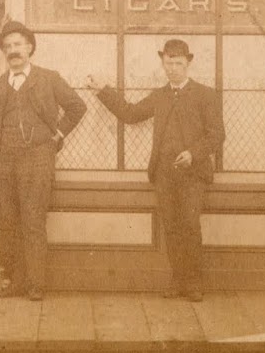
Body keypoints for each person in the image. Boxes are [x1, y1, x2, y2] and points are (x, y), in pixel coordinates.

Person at [87, 39, 224, 302]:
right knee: (171, 228)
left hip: (193, 175)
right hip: (164, 173)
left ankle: (194, 283)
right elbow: (130, 113)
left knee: (190, 226)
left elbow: (217, 135)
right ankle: (178, 281)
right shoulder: (159, 96)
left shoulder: (206, 95)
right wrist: (103, 90)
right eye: (168, 63)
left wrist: (193, 154)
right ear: (163, 63)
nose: (172, 68)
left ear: (188, 63)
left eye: (178, 63)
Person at [0, 20, 85, 300]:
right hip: (5, 163)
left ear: (30, 48)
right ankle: (10, 282)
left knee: (33, 221)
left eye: (18, 45)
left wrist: (58, 134)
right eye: (8, 46)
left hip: (37, 160)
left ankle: (36, 285)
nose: (13, 51)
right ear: (3, 52)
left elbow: (77, 106)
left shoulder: (48, 78)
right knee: (9, 222)